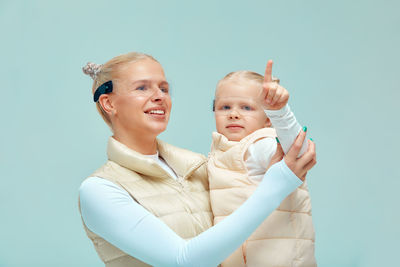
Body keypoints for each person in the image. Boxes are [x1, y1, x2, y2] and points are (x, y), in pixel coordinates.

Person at [79, 52, 317, 267]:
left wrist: (279, 112)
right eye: (142, 88)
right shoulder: (100, 190)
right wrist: (277, 184)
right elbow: (183, 260)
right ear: (108, 103)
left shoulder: (203, 167)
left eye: (164, 88)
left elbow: (293, 152)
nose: (159, 97)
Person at [208, 61, 316, 266]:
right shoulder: (221, 152)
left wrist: (280, 113)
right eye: (224, 107)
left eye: (246, 107)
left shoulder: (261, 144)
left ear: (267, 119)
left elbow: (299, 152)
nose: (233, 113)